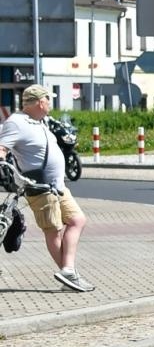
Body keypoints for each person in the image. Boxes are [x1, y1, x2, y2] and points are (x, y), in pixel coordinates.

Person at [0, 85, 93, 291]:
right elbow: (2, 148)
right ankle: (69, 274)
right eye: (48, 100)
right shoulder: (16, 122)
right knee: (53, 230)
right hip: (39, 186)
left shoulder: (40, 121)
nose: (50, 104)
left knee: (77, 220)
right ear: (40, 102)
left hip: (57, 186)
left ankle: (68, 272)